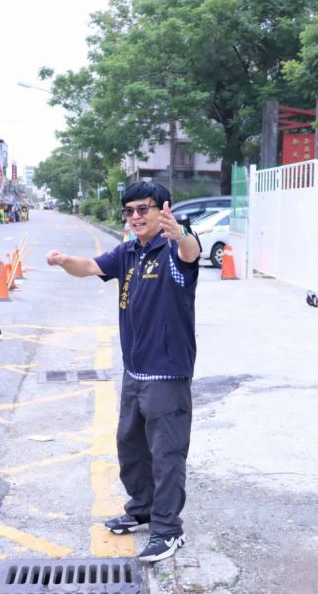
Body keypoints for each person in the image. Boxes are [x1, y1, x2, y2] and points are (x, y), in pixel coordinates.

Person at [46, 181, 201, 563]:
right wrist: (65, 260)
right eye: (129, 211)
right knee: (131, 446)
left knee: (167, 453)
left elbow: (191, 252)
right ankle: (143, 508)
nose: (135, 217)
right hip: (135, 371)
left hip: (167, 373)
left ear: (162, 207)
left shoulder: (174, 247)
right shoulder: (129, 250)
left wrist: (180, 232)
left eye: (143, 209)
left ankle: (167, 529)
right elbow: (92, 267)